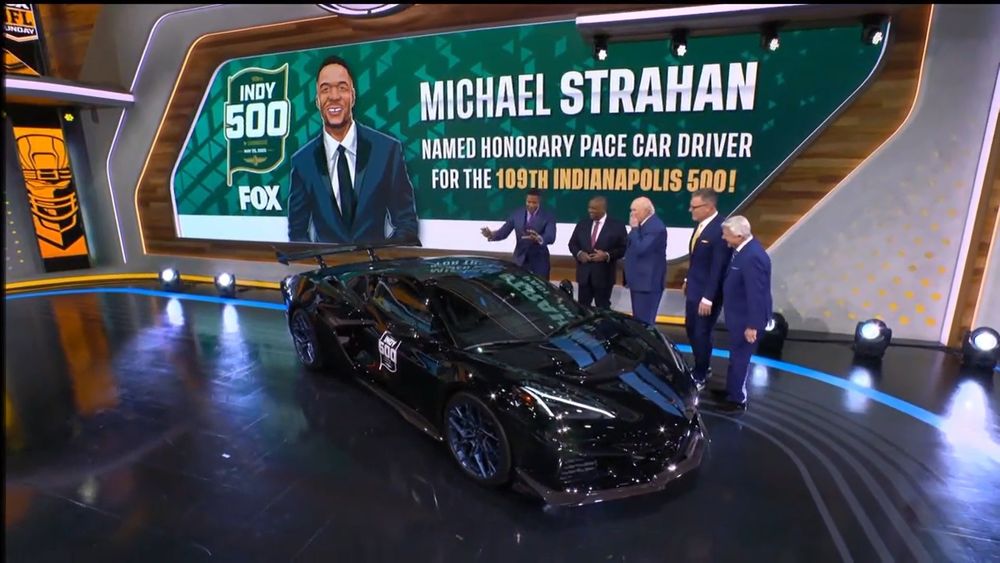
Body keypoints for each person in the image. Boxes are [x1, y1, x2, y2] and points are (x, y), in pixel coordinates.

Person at [287, 55, 419, 244]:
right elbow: (297, 234)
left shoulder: (387, 150)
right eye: (325, 89)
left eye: (342, 88)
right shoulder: (303, 161)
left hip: (376, 263)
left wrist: (379, 257)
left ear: (353, 96)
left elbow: (407, 224)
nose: (334, 96)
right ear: (317, 100)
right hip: (326, 264)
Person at [717, 215, 772, 412]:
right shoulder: (742, 251)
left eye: (726, 234)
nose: (723, 238)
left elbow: (756, 293)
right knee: (736, 357)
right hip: (738, 317)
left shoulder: (753, 256)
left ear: (739, 235)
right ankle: (731, 391)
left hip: (746, 320)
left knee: (740, 358)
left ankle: (737, 399)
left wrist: (753, 325)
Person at [683, 189, 731, 388]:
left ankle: (701, 373)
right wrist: (688, 279)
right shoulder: (701, 226)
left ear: (709, 207)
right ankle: (701, 364)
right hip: (694, 289)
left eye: (694, 207)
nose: (690, 210)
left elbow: (718, 267)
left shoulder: (721, 229)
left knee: (701, 332)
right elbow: (697, 259)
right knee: (691, 328)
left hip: (706, 295)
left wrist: (709, 297)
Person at [480, 189, 556, 279]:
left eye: (534, 203)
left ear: (539, 202)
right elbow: (504, 232)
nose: (531, 205)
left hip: (539, 263)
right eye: (529, 202)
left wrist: (539, 238)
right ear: (525, 200)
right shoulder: (517, 214)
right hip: (520, 261)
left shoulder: (548, 216)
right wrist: (491, 235)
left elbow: (551, 236)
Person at [568, 196, 628, 309]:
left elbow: (623, 248)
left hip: (604, 277)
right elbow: (572, 244)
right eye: (589, 208)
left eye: (594, 208)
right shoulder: (582, 224)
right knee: (582, 309)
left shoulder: (617, 226)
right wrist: (579, 254)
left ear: (603, 209)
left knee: (603, 308)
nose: (590, 210)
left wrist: (607, 255)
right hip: (584, 276)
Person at [623, 196, 667, 325]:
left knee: (645, 323)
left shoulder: (656, 227)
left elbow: (642, 249)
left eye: (635, 210)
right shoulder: (642, 226)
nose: (632, 214)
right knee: (638, 321)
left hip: (647, 284)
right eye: (631, 210)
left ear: (646, 210)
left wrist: (634, 229)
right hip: (638, 282)